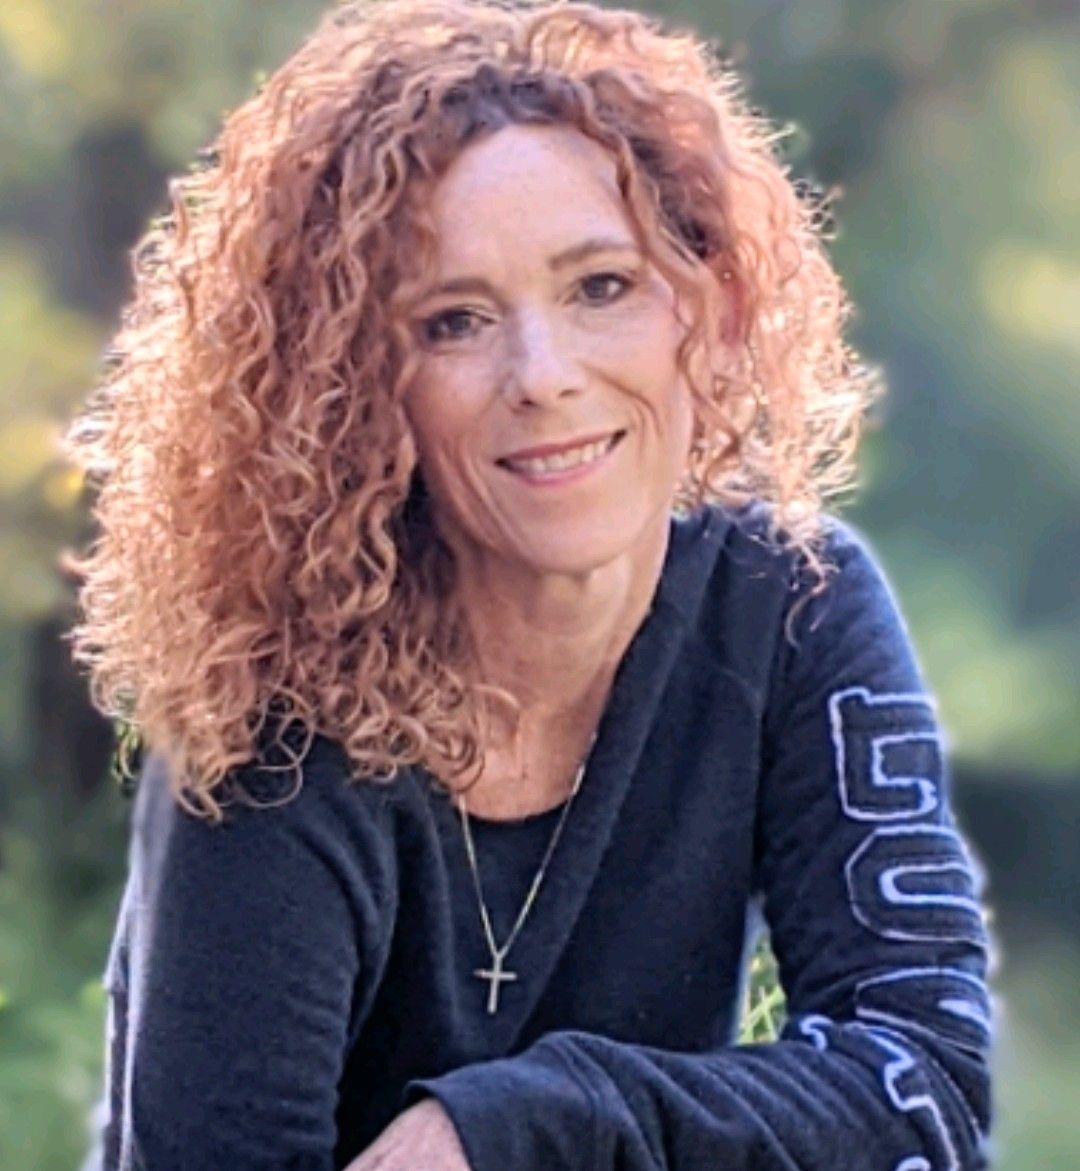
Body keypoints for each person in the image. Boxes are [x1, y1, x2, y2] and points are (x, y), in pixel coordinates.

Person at [65, 0, 993, 1167]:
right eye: (454, 321)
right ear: (354, 391)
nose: (543, 377)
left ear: (703, 309)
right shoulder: (275, 719)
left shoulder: (793, 606)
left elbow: (928, 1093)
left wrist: (517, 1123)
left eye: (601, 286)